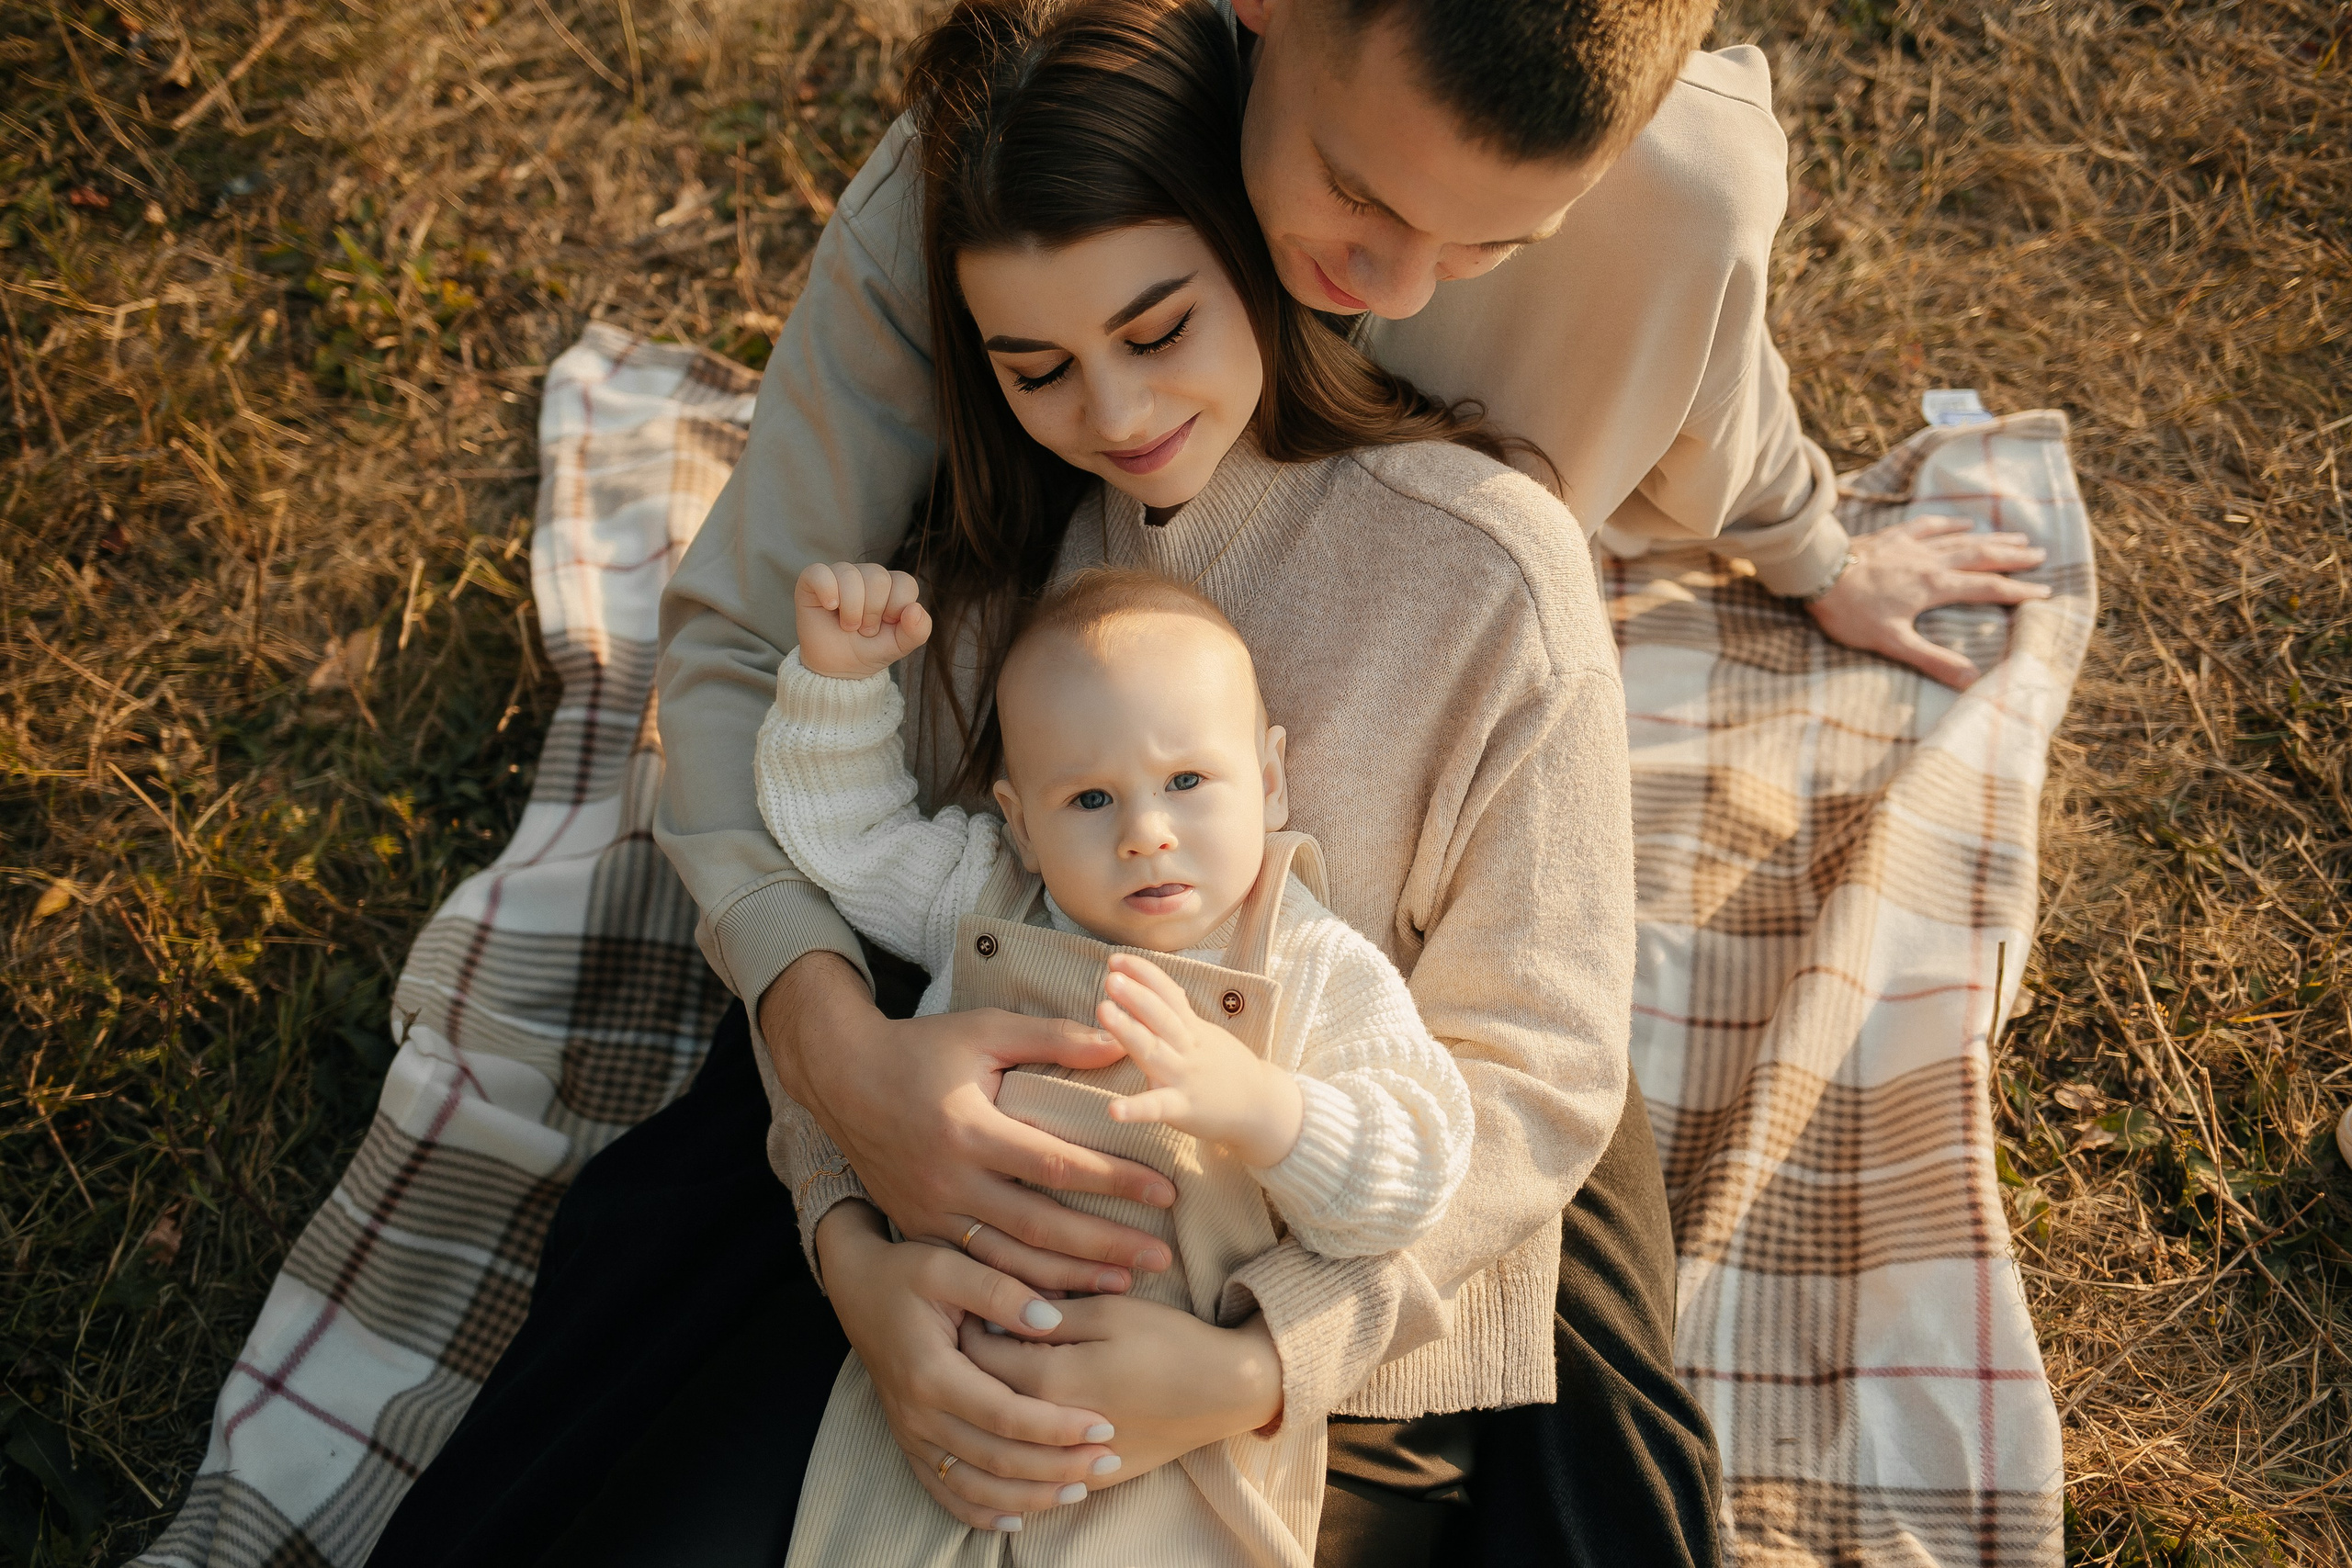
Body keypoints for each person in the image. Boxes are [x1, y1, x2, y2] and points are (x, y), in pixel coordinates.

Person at [370, 0, 2045, 1560]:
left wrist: (1814, 544)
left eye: (1490, 247)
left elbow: (1527, 1076)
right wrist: (844, 1115)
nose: (1393, 288)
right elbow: (771, 693)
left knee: (1576, 1444)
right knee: (666, 1398)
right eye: (1355, 199)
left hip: (1390, 987)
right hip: (1051, 999)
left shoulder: (1611, 303)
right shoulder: (1019, 420)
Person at [764, 562, 1476, 1565]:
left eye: (1187, 781)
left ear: (1268, 780)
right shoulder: (989, 897)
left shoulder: (1309, 961)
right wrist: (836, 682)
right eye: (1091, 798)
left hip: (1173, 1440)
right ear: (1021, 822)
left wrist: (1269, 1111)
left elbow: (1418, 1167)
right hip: (938, 1402)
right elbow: (845, 843)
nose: (1146, 834)